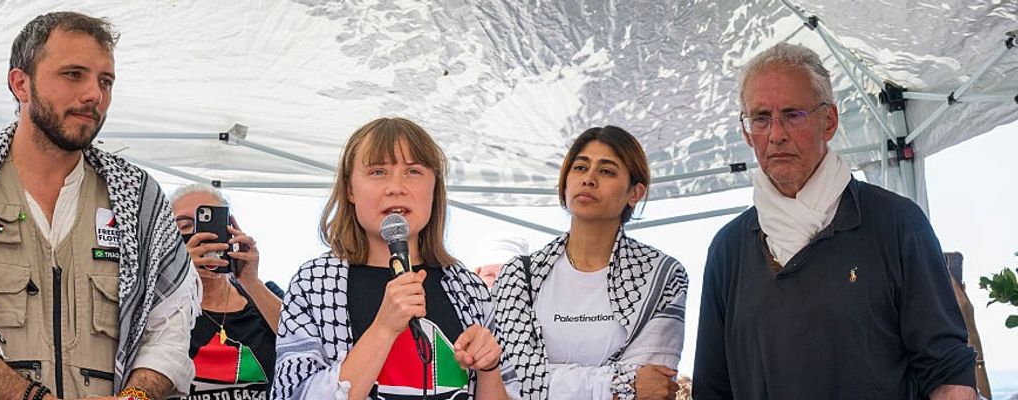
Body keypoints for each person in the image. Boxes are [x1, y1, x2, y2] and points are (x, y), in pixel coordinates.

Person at [0, 11, 199, 400]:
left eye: (105, 81)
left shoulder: (141, 198)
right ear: (21, 83)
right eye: (74, 74)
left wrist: (136, 396)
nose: (94, 95)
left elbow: (169, 323)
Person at [692, 42, 978, 400]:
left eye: (793, 114)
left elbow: (948, 372)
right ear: (747, 133)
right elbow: (712, 387)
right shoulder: (728, 249)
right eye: (761, 118)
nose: (776, 134)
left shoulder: (897, 224)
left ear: (829, 121)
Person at [272, 117, 505, 399]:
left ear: (434, 188)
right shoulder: (314, 283)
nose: (396, 187)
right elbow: (292, 394)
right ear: (350, 189)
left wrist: (489, 368)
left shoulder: (467, 288)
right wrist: (383, 328)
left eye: (413, 171)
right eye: (378, 172)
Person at [491, 126, 687, 400]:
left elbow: (652, 387)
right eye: (580, 167)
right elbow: (510, 381)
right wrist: (616, 384)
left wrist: (543, 376)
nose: (589, 179)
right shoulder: (518, 276)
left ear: (635, 192)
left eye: (607, 171)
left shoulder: (662, 275)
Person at [168, 184, 281, 400]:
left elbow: (301, 341)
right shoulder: (162, 306)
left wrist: (251, 282)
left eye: (210, 223)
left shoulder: (262, 294)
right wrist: (181, 274)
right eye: (184, 226)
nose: (200, 235)